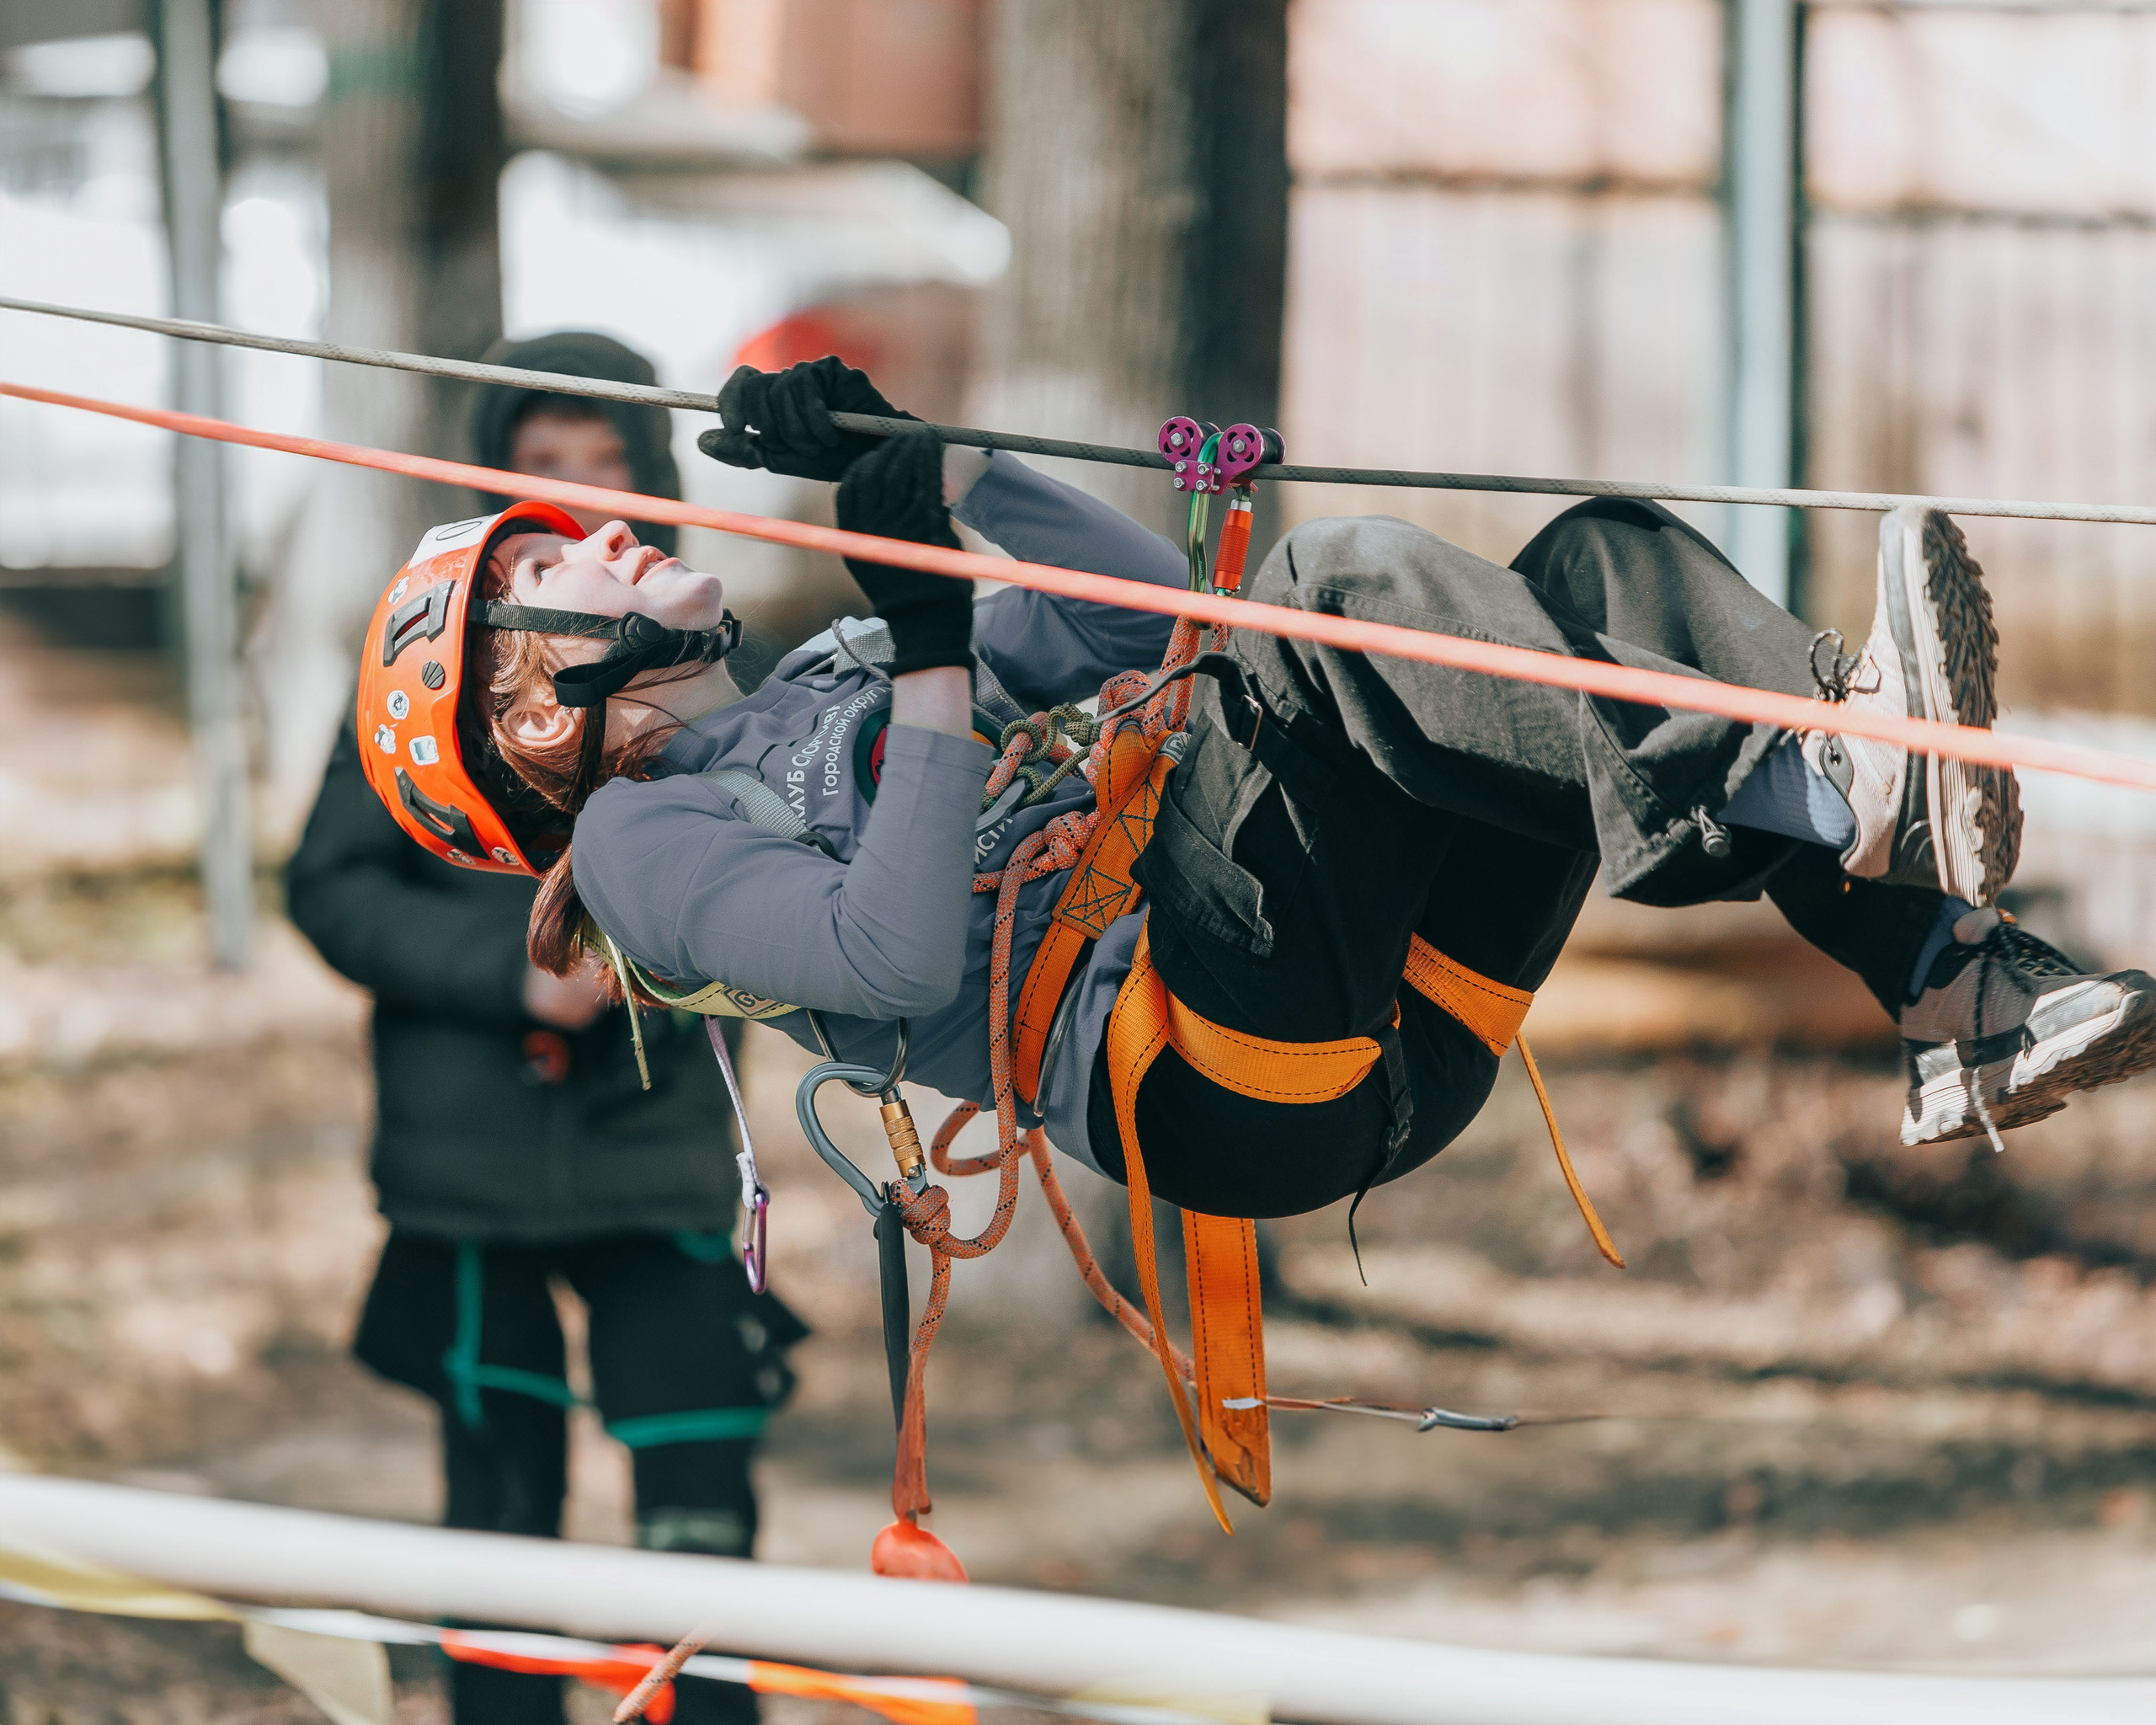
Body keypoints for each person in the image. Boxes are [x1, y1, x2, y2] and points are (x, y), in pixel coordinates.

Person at [357, 355, 2156, 1229]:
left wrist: (944, 466)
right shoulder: (636, 850)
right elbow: (893, 954)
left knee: (1592, 571)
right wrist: (921, 638)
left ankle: (1944, 982)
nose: (608, 528)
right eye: (557, 569)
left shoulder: (817, 685)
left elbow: (1164, 618)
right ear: (532, 716)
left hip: (1352, 1000)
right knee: (1333, 588)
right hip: (1207, 1073)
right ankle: (1821, 781)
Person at [287, 333, 802, 1725]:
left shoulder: (701, 666)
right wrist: (512, 972)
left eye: (608, 463)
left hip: (661, 1155)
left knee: (701, 1499)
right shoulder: (418, 668)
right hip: (475, 1159)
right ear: (493, 492)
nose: (579, 492)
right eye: (542, 465)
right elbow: (329, 882)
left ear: (651, 489)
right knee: (498, 1507)